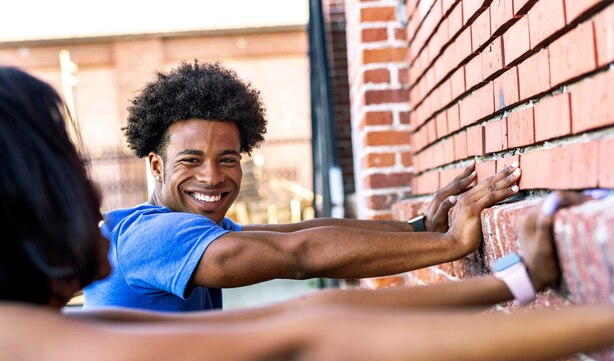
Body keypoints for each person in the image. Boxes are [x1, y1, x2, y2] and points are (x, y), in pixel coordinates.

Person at [1, 66, 614, 361]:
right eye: (67, 168)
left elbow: (305, 283)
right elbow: (299, 320)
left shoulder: (52, 328)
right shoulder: (144, 237)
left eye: (229, 157)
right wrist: (452, 247)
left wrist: (444, 242)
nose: (87, 193)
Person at [83, 61, 523, 311]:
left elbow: (297, 233)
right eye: (191, 160)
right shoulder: (153, 236)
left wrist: (420, 227)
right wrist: (451, 244)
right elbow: (300, 256)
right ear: (156, 165)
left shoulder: (177, 228)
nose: (212, 177)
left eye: (228, 159)